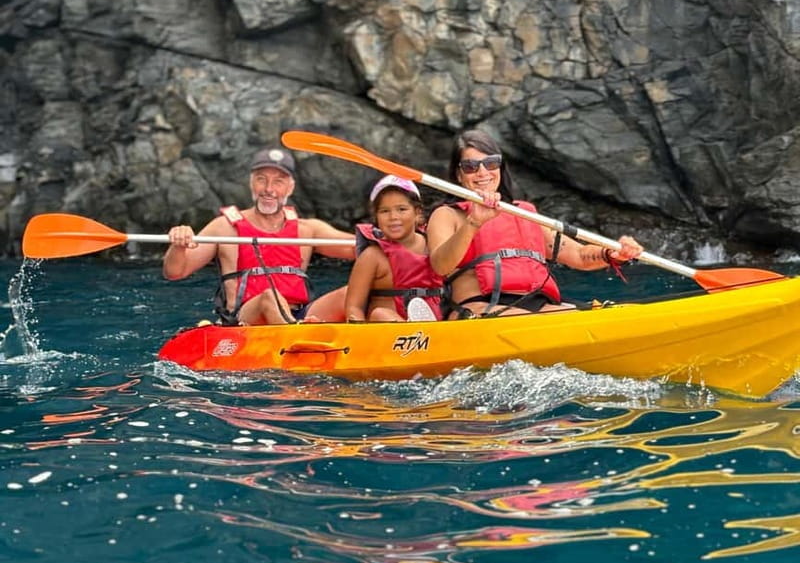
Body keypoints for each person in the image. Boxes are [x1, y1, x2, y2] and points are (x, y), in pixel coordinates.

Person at [426, 129, 644, 319]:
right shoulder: (447, 215)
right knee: (551, 320)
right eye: (471, 166)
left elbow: (578, 256)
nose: (483, 172)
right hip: (478, 308)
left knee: (605, 316)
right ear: (459, 174)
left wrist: (612, 254)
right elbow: (440, 266)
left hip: (539, 307)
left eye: (491, 163)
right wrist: (473, 223)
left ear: (500, 167)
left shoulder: (525, 213)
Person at [163, 146, 355, 325]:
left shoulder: (307, 230)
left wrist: (382, 232)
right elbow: (175, 272)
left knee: (349, 294)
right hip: (245, 319)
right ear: (251, 183)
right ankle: (295, 333)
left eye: (278, 181)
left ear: (290, 188)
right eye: (261, 179)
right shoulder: (224, 228)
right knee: (270, 296)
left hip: (298, 316)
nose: (269, 189)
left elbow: (356, 248)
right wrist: (179, 244)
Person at [345, 176, 443, 322]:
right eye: (384, 211)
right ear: (376, 216)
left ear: (417, 213)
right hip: (387, 332)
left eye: (402, 209)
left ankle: (422, 328)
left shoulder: (433, 245)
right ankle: (408, 328)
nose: (393, 217)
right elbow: (354, 307)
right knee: (380, 314)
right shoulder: (372, 256)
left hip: (433, 330)